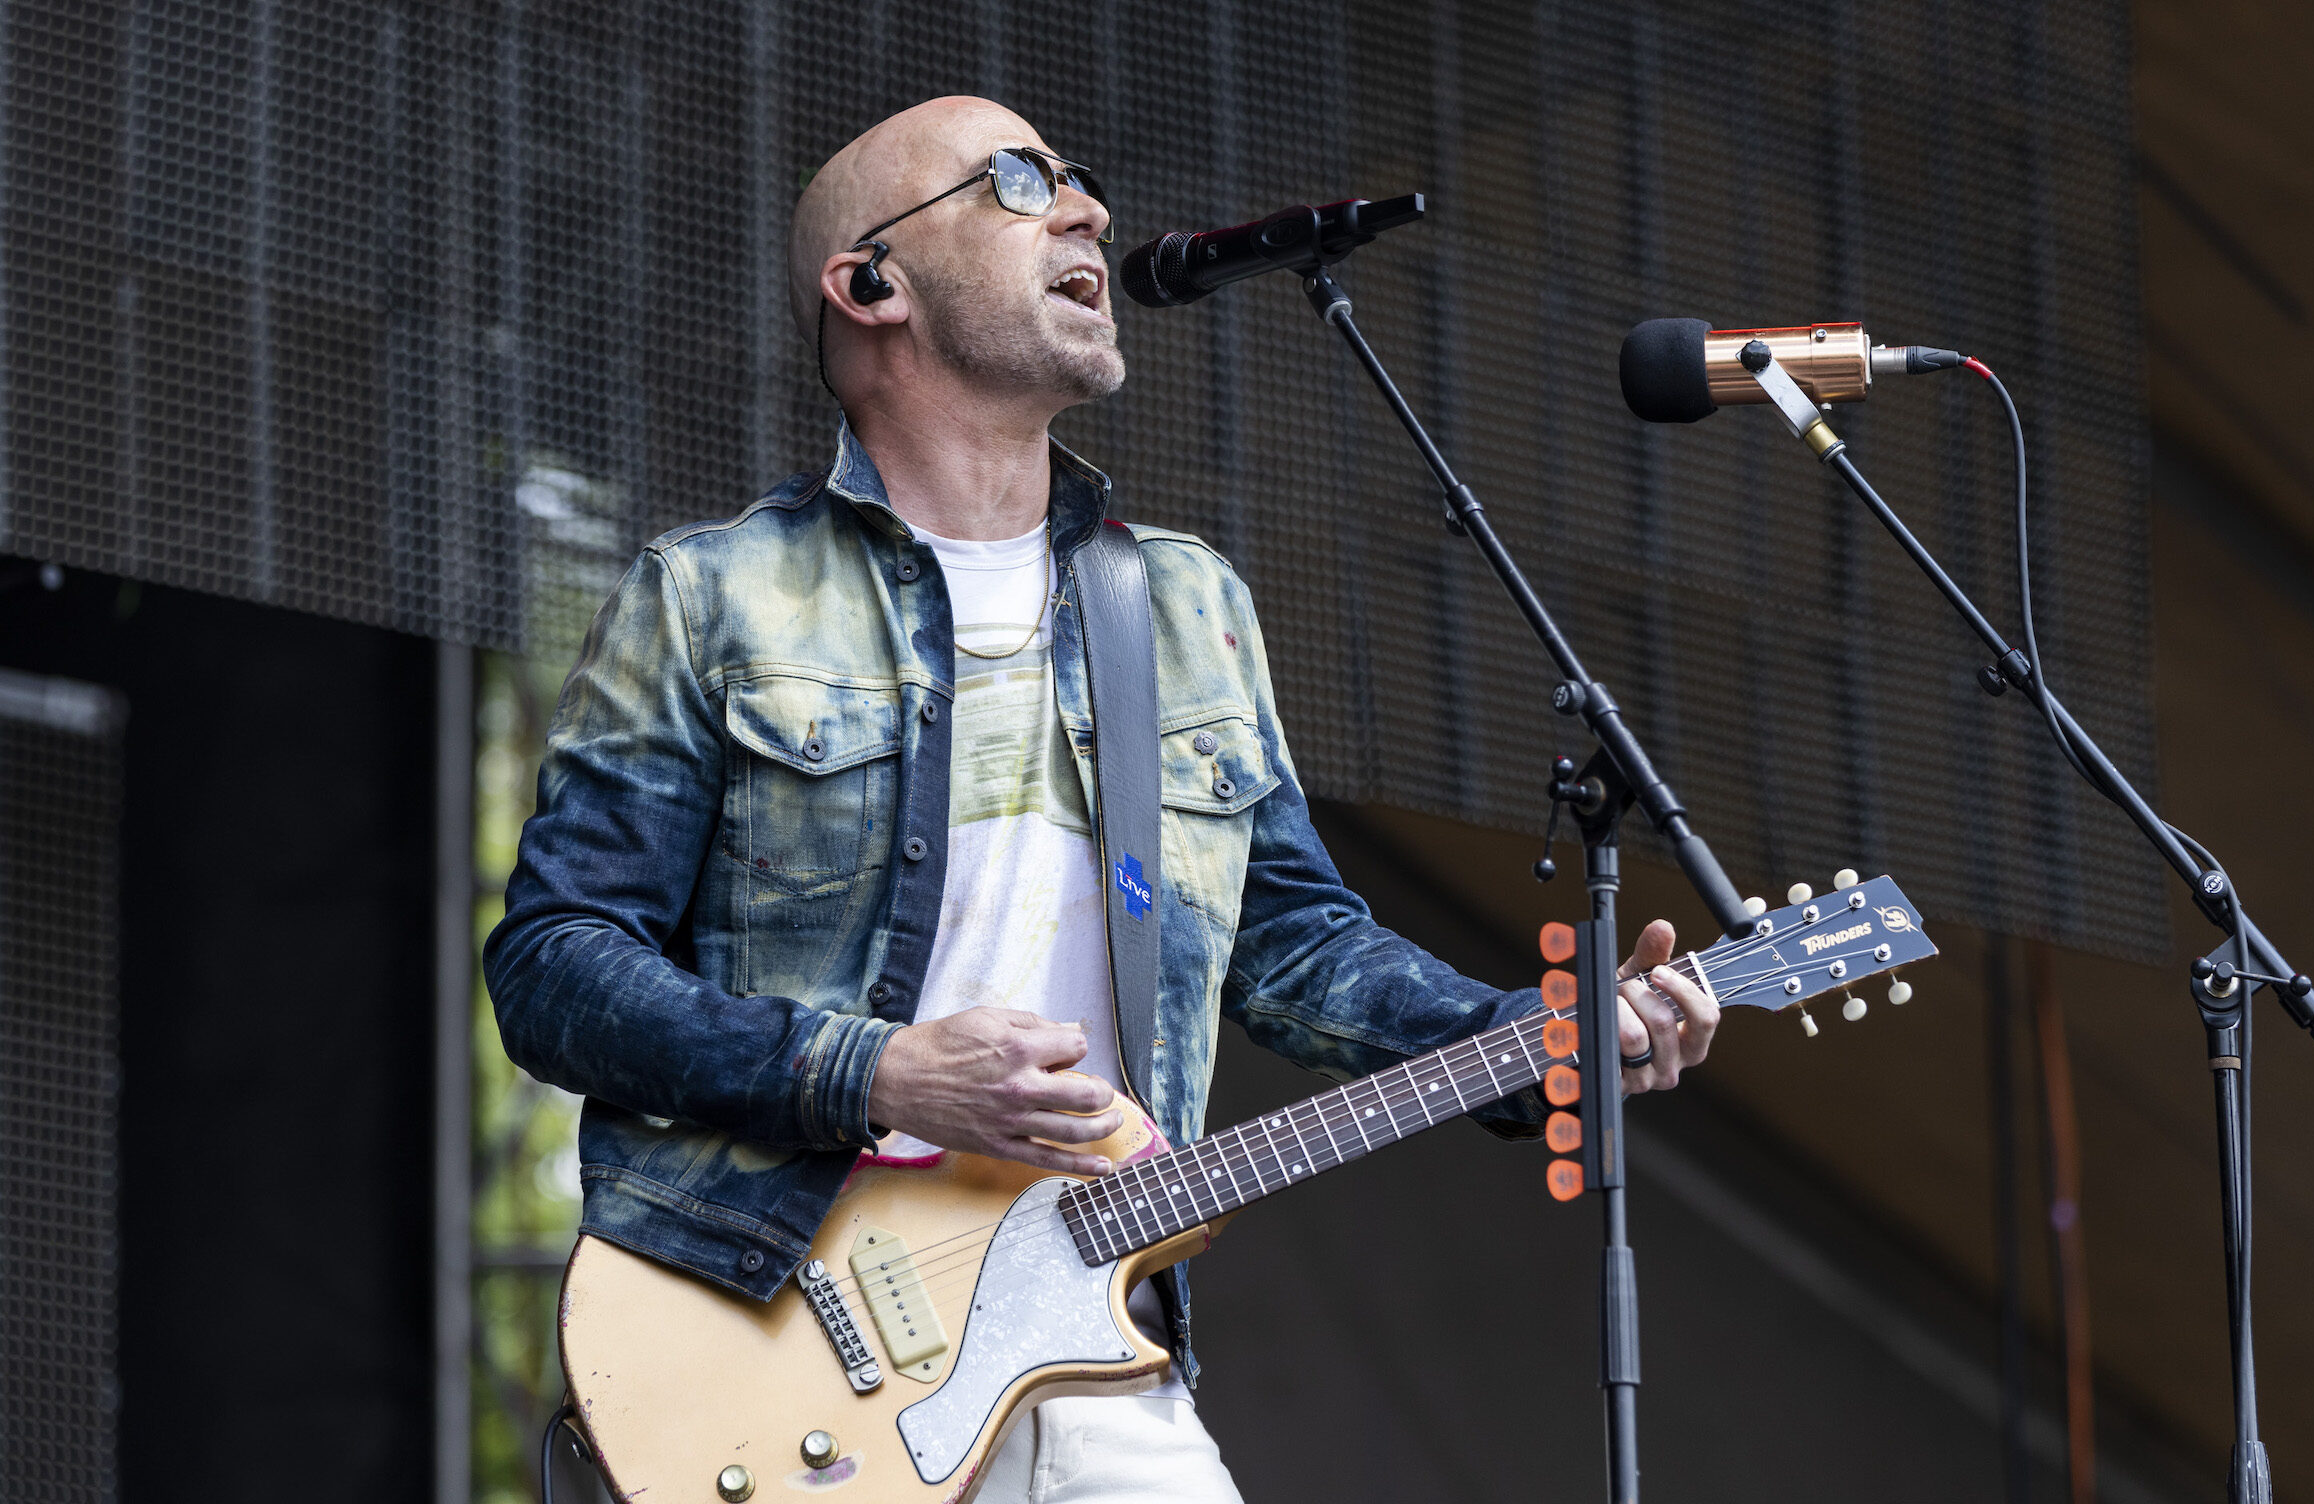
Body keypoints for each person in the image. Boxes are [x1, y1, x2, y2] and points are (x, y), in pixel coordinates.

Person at [484, 95, 1718, 1504]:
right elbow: (553, 968)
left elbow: (1297, 947)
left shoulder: (1179, 605)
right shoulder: (712, 598)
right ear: (869, 285)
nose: (1086, 212)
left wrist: (1537, 1036)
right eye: (1018, 182)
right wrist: (877, 1073)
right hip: (769, 1326)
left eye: (1080, 182)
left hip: (1088, 1335)